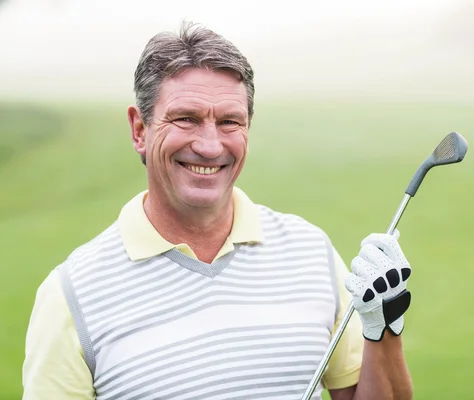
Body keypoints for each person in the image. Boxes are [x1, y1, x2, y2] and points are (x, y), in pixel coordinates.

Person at [22, 22, 414, 400]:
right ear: (140, 129)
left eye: (229, 122)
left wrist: (384, 328)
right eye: (186, 119)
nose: (210, 146)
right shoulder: (70, 296)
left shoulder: (310, 250)